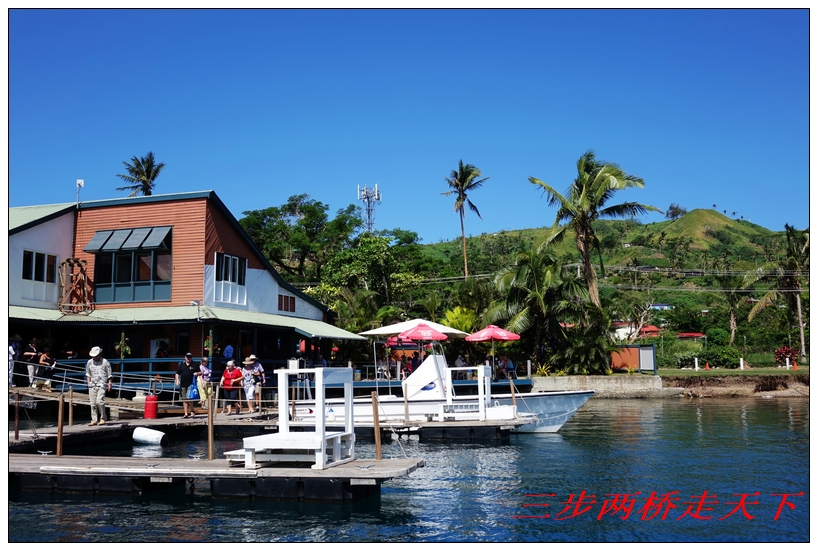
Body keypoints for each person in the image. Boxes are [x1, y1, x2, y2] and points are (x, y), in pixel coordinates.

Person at [85, 346, 112, 426]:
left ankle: (103, 418)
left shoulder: (105, 362)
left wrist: (109, 383)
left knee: (99, 401)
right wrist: (88, 382)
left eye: (96, 355)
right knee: (92, 403)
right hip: (92, 384)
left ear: (100, 354)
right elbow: (88, 373)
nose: (95, 357)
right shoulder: (89, 362)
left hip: (102, 384)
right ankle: (94, 420)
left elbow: (109, 374)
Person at [175, 352, 198, 418]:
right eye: (187, 357)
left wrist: (197, 373)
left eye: (190, 357)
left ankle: (192, 410)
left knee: (189, 397)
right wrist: (177, 380)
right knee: (184, 399)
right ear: (185, 357)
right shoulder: (182, 364)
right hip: (183, 384)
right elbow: (177, 373)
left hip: (191, 384)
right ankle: (186, 414)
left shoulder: (194, 364)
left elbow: (200, 372)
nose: (189, 358)